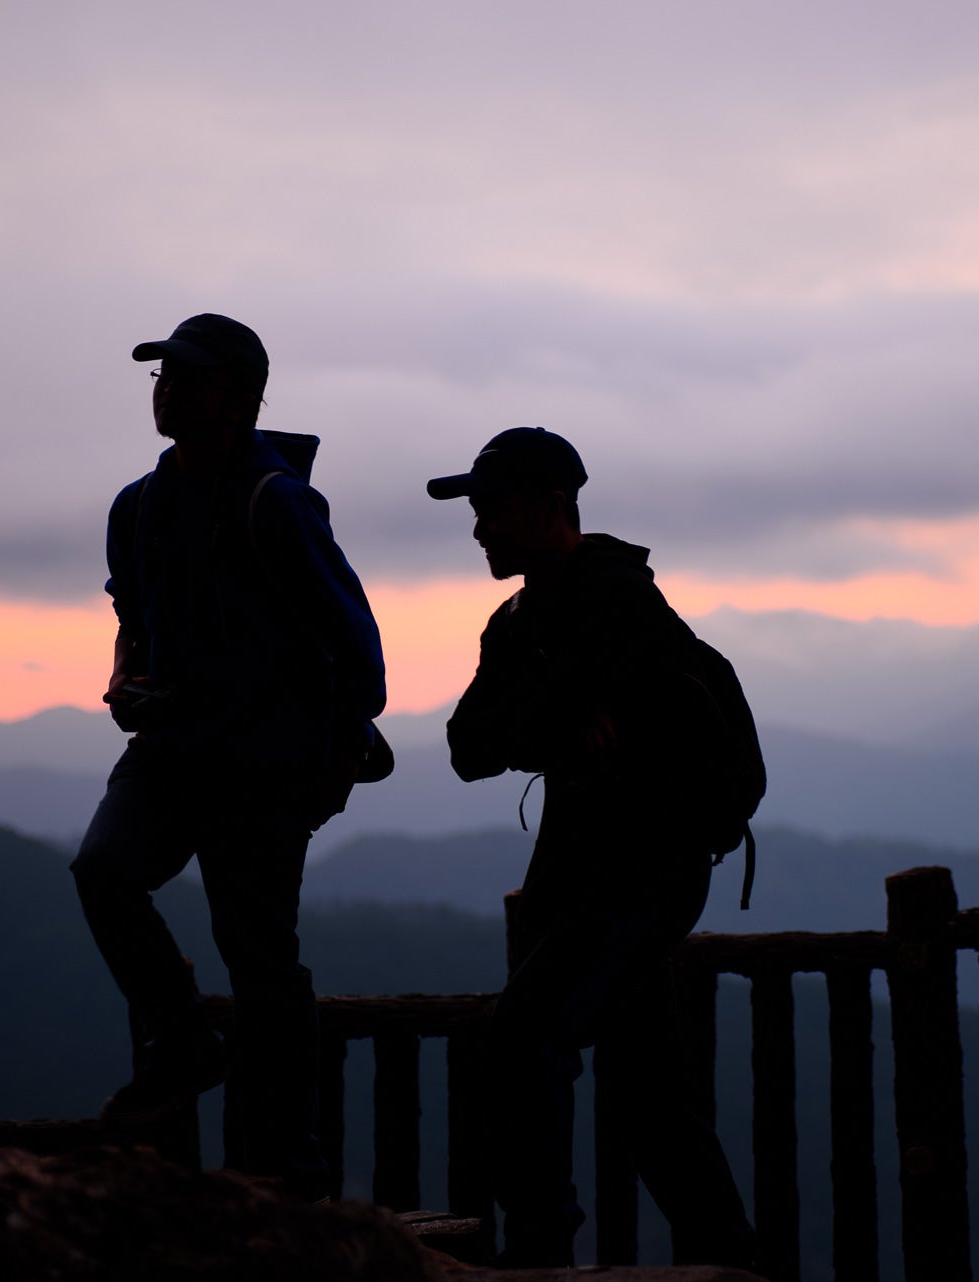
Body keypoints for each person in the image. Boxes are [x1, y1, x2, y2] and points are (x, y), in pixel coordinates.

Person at [71, 313, 387, 1201]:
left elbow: (357, 650)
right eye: (163, 375)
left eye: (191, 376)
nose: (169, 389)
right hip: (173, 747)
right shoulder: (137, 506)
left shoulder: (275, 502)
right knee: (103, 872)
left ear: (243, 398)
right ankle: (184, 1042)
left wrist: (335, 763)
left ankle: (287, 1174)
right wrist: (125, 677)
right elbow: (133, 619)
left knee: (259, 958)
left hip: (266, 765)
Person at [428, 427, 756, 1268]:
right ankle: (734, 1261)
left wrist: (547, 724)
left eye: (493, 508)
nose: (478, 528)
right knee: (651, 1097)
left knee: (523, 1037)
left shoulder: (618, 604)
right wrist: (562, 726)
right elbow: (466, 746)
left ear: (551, 507)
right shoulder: (518, 622)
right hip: (587, 874)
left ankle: (540, 1254)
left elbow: (533, 730)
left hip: (643, 874)